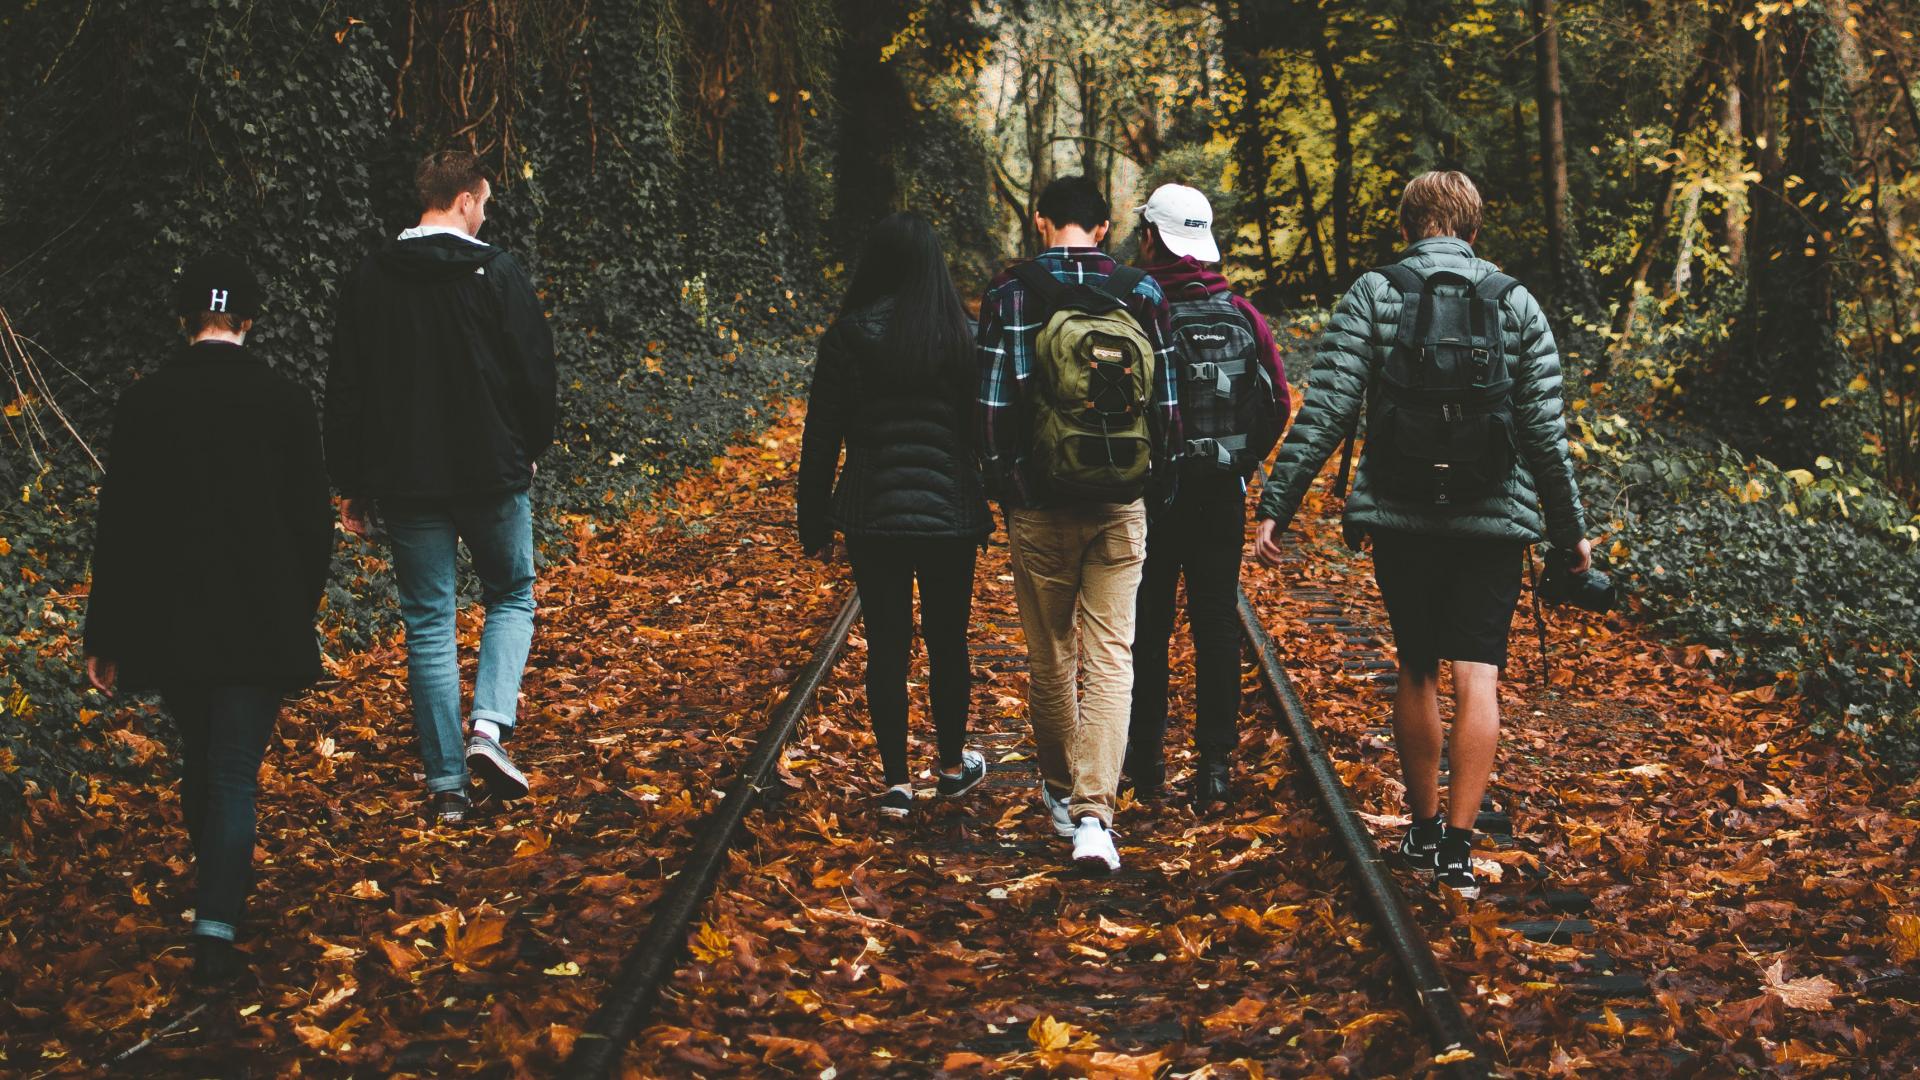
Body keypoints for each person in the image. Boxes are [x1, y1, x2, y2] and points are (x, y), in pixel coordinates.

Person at [1252, 171, 1592, 898]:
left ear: (1408, 227)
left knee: (1416, 667)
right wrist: (1571, 535)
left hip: (1403, 512)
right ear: (1474, 230)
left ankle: (1424, 826)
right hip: (1496, 517)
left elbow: (1330, 405)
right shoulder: (1518, 302)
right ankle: (1460, 849)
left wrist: (1278, 503)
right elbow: (1543, 432)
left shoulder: (1375, 293)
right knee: (1478, 674)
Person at [83, 252, 334, 986]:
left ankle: (215, 894)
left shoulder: (146, 402)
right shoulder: (286, 401)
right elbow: (312, 525)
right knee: (232, 771)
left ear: (183, 318)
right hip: (260, 618)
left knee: (204, 759)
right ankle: (216, 926)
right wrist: (298, 604)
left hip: (171, 621)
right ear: (249, 319)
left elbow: (119, 525)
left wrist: (106, 634)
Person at [325, 150, 557, 825]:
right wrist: (529, 448)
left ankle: (447, 787)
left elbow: (347, 388)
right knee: (511, 594)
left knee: (429, 622)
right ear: (463, 200)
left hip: (405, 482)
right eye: (483, 203)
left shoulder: (371, 278)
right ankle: (489, 728)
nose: (486, 215)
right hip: (490, 472)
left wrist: (352, 481)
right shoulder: (495, 272)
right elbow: (535, 369)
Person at [976, 175, 1180, 875]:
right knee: (1113, 655)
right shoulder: (1143, 291)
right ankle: (1098, 816)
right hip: (1122, 500)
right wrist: (1152, 482)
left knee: (1051, 656)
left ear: (1041, 223)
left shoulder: (1010, 293)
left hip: (1041, 502)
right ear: (1104, 227)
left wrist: (1012, 487)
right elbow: (1168, 406)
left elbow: (992, 408)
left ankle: (1063, 798)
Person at [798, 212, 993, 819]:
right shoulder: (965, 334)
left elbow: (821, 435)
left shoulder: (849, 335)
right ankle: (953, 767)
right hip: (949, 516)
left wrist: (814, 520)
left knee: (886, 641)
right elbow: (983, 430)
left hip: (873, 514)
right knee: (947, 641)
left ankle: (896, 783)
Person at [1125, 184, 1289, 811]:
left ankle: (1144, 764)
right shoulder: (1242, 314)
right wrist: (1240, 461)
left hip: (1153, 495)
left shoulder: (1140, 310)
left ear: (1151, 238)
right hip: (1221, 492)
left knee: (1149, 624)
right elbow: (1276, 401)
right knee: (1217, 622)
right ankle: (1214, 767)